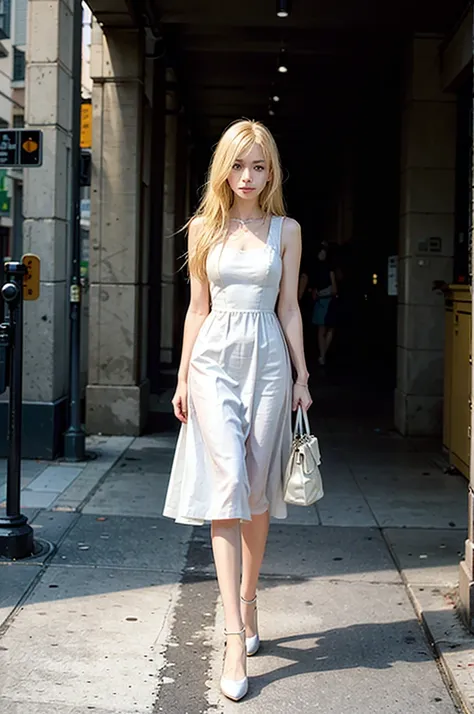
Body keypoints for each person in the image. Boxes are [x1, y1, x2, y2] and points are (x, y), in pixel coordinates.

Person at [163, 119, 312, 702]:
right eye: (238, 164)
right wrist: (181, 375)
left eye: (259, 165)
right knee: (226, 490)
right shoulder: (204, 227)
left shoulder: (287, 231)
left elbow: (291, 307)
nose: (247, 176)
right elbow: (197, 309)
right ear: (222, 168)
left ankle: (250, 600)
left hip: (270, 361)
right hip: (213, 362)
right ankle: (231, 633)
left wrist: (301, 375)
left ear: (271, 171)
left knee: (254, 491)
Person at [311, 244, 338, 366]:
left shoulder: (326, 268)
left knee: (327, 329)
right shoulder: (318, 268)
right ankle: (323, 356)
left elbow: (334, 288)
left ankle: (322, 355)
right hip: (323, 301)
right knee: (323, 329)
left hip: (327, 301)